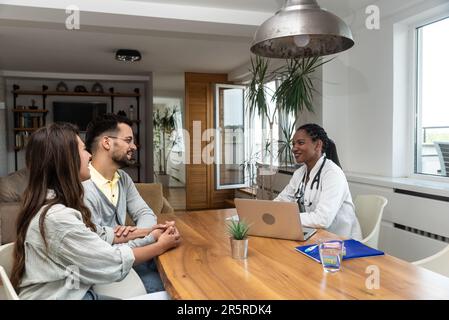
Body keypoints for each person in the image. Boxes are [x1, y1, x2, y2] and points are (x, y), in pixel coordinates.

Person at [10, 123, 180, 299]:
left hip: (79, 286)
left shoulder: (56, 205)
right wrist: (159, 244)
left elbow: (99, 234)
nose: (89, 155)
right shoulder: (58, 217)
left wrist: (150, 233)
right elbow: (110, 260)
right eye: (84, 150)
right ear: (67, 160)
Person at [83, 113, 173, 293]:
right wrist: (151, 236)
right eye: (128, 140)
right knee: (169, 286)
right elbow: (100, 250)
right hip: (106, 274)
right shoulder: (82, 188)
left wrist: (138, 233)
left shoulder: (123, 178)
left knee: (177, 268)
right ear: (107, 143)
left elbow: (145, 213)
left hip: (130, 258)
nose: (134, 146)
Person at [274, 123, 362, 240]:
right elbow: (281, 201)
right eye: (293, 144)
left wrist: (285, 217)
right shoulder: (299, 173)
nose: (294, 148)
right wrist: (268, 211)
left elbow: (322, 219)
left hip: (342, 242)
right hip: (315, 237)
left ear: (318, 145)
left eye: (300, 143)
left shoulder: (333, 174)